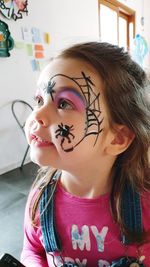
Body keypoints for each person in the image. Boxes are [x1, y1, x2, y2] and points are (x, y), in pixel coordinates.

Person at [21, 42, 150, 267]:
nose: (38, 114)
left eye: (64, 103)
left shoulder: (145, 202)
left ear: (117, 138)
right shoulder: (41, 199)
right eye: (40, 100)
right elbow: (32, 250)